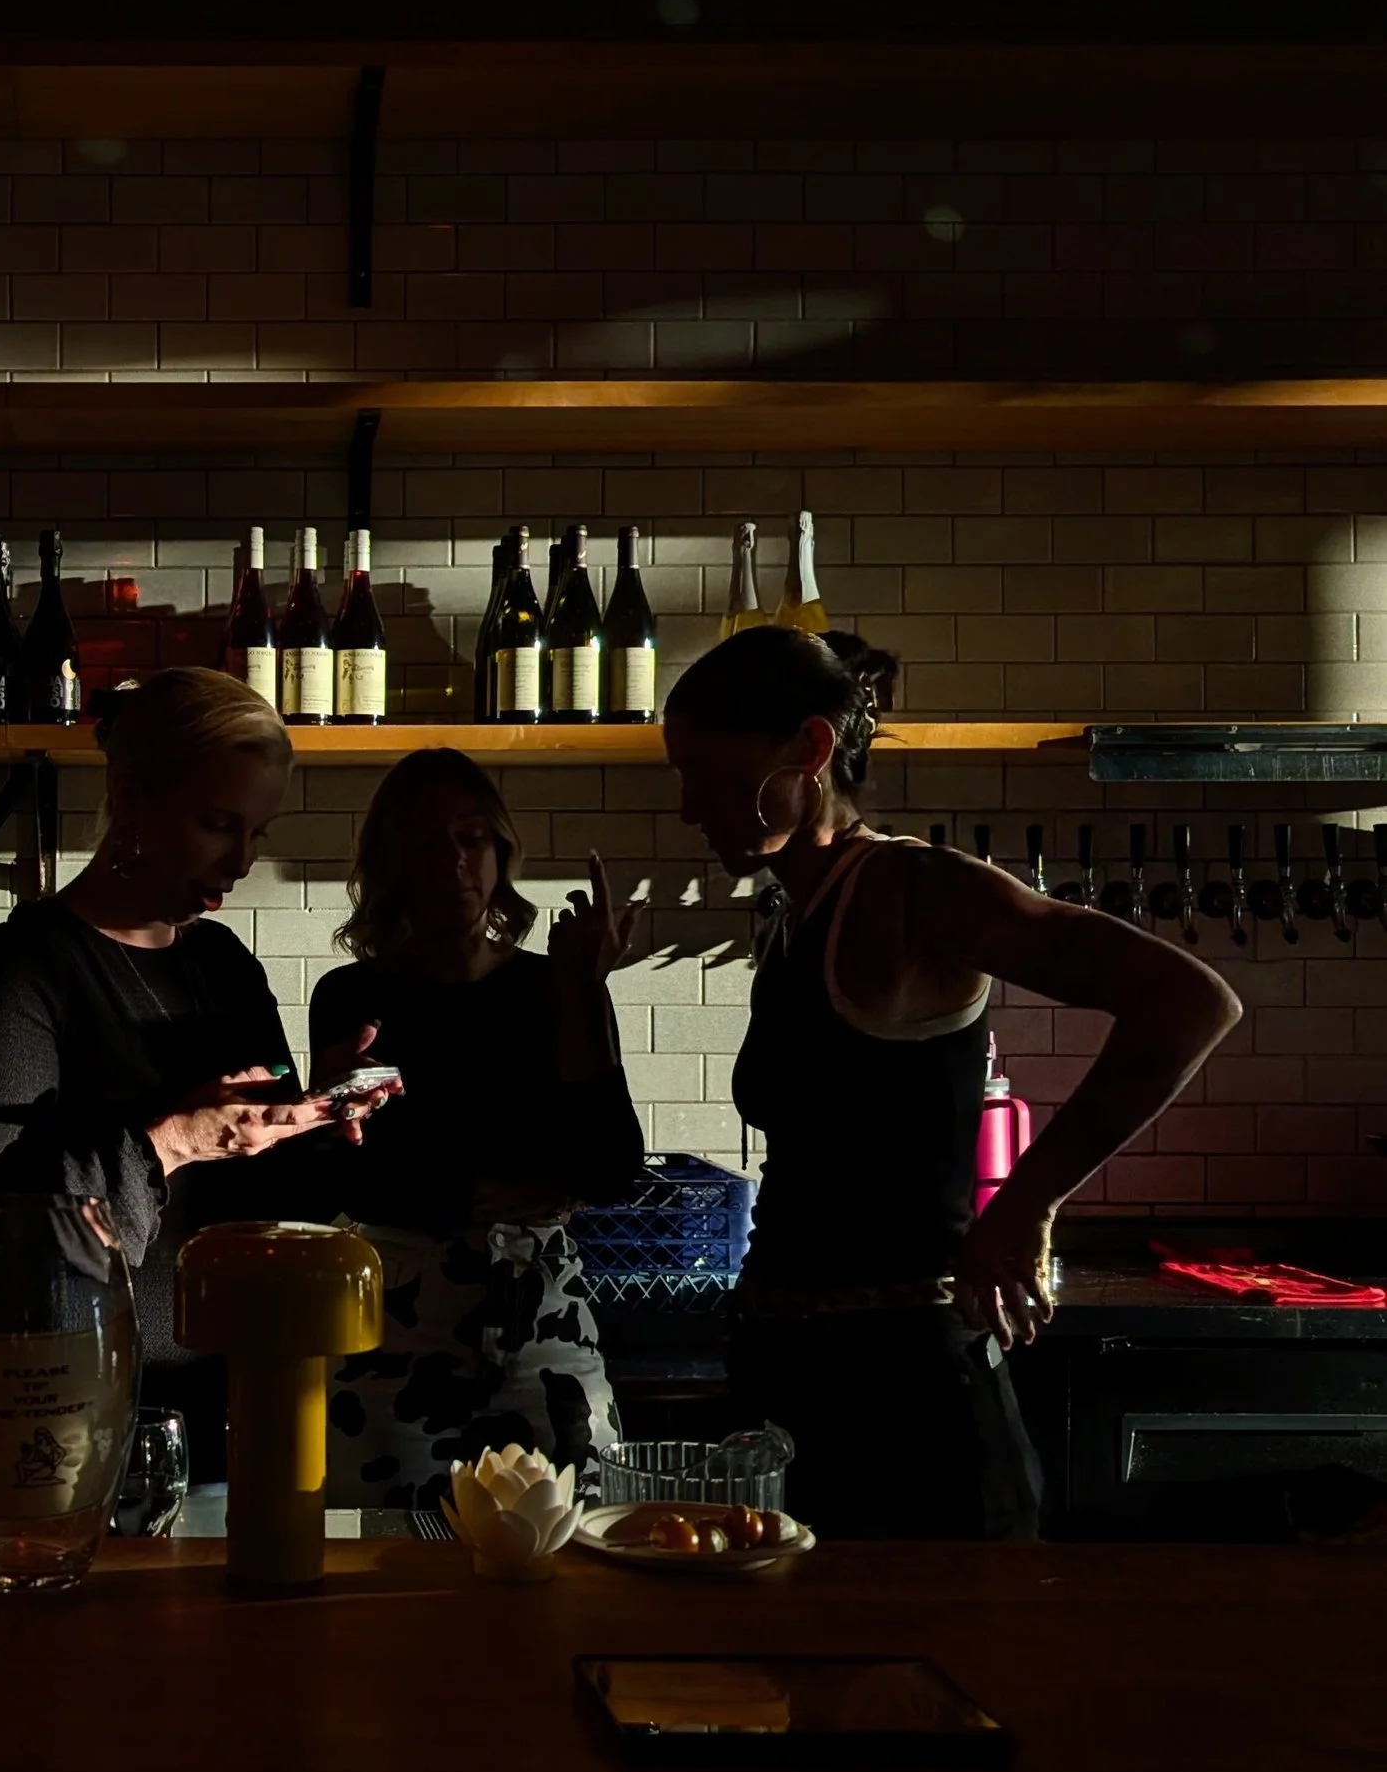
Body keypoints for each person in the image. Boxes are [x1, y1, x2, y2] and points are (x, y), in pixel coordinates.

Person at [664, 625, 1242, 1539]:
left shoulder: (912, 890)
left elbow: (1190, 1003)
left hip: (913, 1408)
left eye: (703, 771)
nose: (690, 805)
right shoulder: (790, 917)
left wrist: (1024, 1204)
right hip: (801, 1387)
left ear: (809, 749)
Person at [0, 666, 396, 1398]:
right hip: (76, 1402)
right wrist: (174, 1140)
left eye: (257, 833)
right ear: (132, 800)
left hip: (242, 1394)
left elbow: (268, 1205)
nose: (240, 861)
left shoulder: (224, 966)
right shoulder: (21, 970)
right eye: (216, 824)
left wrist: (318, 1119)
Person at [304, 748, 648, 1515]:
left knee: (578, 1533)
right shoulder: (353, 994)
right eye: (426, 842)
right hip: (398, 1313)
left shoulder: (546, 985)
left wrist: (582, 993)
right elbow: (358, 1174)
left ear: (498, 852)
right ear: (390, 864)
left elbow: (612, 1164)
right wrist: (496, 1188)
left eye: (472, 838)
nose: (454, 862)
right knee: (387, 1550)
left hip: (541, 1305)